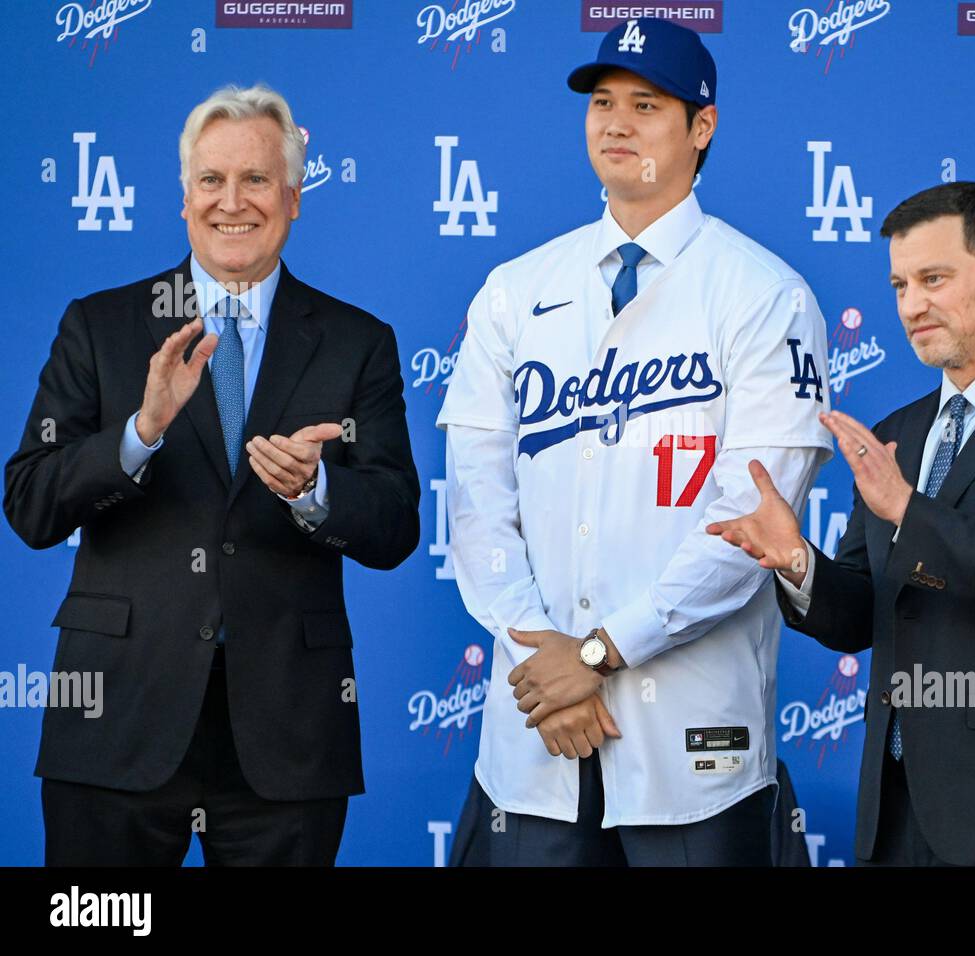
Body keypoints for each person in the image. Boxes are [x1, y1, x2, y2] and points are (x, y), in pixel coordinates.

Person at [438, 17, 832, 866]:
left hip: (693, 740)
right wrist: (548, 659)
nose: (615, 123)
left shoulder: (766, 295)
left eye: (646, 104)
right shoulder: (515, 290)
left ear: (702, 127)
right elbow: (474, 506)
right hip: (538, 729)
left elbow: (750, 523)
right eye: (602, 103)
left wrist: (601, 652)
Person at [3, 84, 421, 866]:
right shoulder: (100, 326)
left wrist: (315, 491)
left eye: (257, 179)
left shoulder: (357, 341)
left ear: (294, 197)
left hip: (288, 741)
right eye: (211, 181)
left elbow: (397, 523)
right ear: (185, 198)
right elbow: (29, 505)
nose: (233, 202)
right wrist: (140, 431)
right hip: (116, 725)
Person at [709, 181, 975, 866]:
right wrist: (798, 562)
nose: (911, 306)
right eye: (900, 285)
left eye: (934, 279)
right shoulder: (898, 433)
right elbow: (861, 614)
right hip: (898, 815)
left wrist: (909, 511)